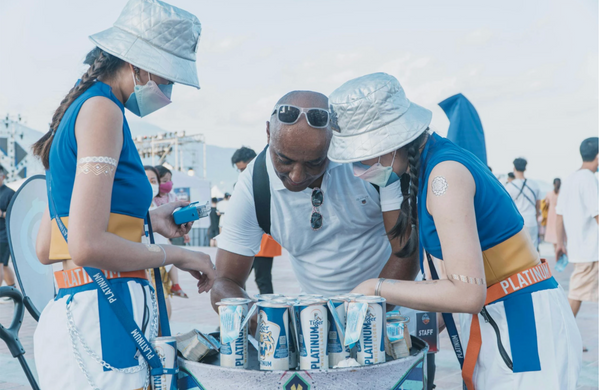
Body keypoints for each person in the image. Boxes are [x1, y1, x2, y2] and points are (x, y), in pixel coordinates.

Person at [329, 73, 581, 390]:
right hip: (499, 320)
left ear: (389, 142)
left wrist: (375, 287)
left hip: (521, 325)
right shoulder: (427, 171)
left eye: (361, 155)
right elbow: (451, 284)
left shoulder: (444, 176)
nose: (357, 168)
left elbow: (466, 293)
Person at [30, 1, 215, 388]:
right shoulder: (103, 111)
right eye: (168, 77)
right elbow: (85, 243)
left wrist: (147, 220)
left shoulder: (81, 110)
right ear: (140, 64)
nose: (168, 90)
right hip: (103, 313)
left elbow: (50, 246)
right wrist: (179, 254)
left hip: (83, 310)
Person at [210, 89, 417, 302]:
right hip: (316, 321)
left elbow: (406, 250)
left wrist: (367, 312)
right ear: (268, 132)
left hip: (392, 309)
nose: (297, 176)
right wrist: (259, 323)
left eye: (314, 162)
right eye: (284, 160)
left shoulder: (368, 162)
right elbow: (225, 282)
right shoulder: (254, 185)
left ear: (334, 141)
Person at [556, 137, 599, 349]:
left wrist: (559, 244)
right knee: (576, 293)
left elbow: (559, 215)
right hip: (591, 249)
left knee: (577, 292)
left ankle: (565, 337)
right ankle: (564, 338)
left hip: (578, 247)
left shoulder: (570, 179)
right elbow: (597, 213)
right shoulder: (589, 179)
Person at [231, 146, 282, 294]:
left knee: (263, 279)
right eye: (240, 170)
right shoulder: (243, 182)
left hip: (265, 238)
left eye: (244, 168)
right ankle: (243, 309)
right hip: (247, 238)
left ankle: (271, 313)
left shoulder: (270, 176)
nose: (243, 173)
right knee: (235, 279)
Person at [155, 164, 189, 298]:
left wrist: (185, 232)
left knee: (171, 257)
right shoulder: (152, 198)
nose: (168, 184)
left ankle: (176, 285)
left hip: (166, 234)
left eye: (170, 180)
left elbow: (178, 214)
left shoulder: (172, 197)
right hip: (156, 236)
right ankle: (173, 286)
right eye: (164, 181)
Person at [145, 165, 174, 317]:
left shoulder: (157, 206)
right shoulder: (136, 209)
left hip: (161, 264)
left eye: (153, 180)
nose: (151, 184)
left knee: (163, 308)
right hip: (146, 263)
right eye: (146, 180)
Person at [504, 158, 543, 249]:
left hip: (517, 222)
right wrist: (536, 217)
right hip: (531, 220)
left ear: (514, 168)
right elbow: (538, 205)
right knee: (533, 249)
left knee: (518, 250)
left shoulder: (509, 187)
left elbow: (507, 208)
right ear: (525, 169)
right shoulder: (534, 184)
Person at [0, 166, 16, 296]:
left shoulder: (9, 193)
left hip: (4, 235)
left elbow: (16, 213)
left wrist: (2, 214)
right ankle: (13, 290)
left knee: (0, 265)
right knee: (4, 266)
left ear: (3, 177)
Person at [543, 178, 561, 248]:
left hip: (551, 215)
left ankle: (556, 251)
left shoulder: (549, 194)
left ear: (553, 184)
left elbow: (546, 204)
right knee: (560, 235)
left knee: (553, 236)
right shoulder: (562, 194)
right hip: (560, 215)